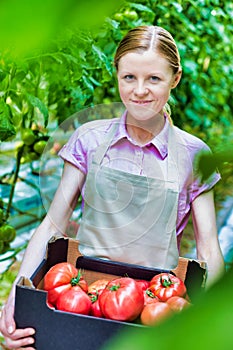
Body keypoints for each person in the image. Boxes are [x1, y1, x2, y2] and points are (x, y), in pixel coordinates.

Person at [0, 25, 225, 349]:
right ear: (116, 74)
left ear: (175, 79)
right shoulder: (89, 140)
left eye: (154, 79)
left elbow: (208, 249)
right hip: (81, 299)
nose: (140, 91)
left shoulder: (193, 154)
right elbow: (53, 222)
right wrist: (16, 298)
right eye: (129, 77)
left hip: (153, 308)